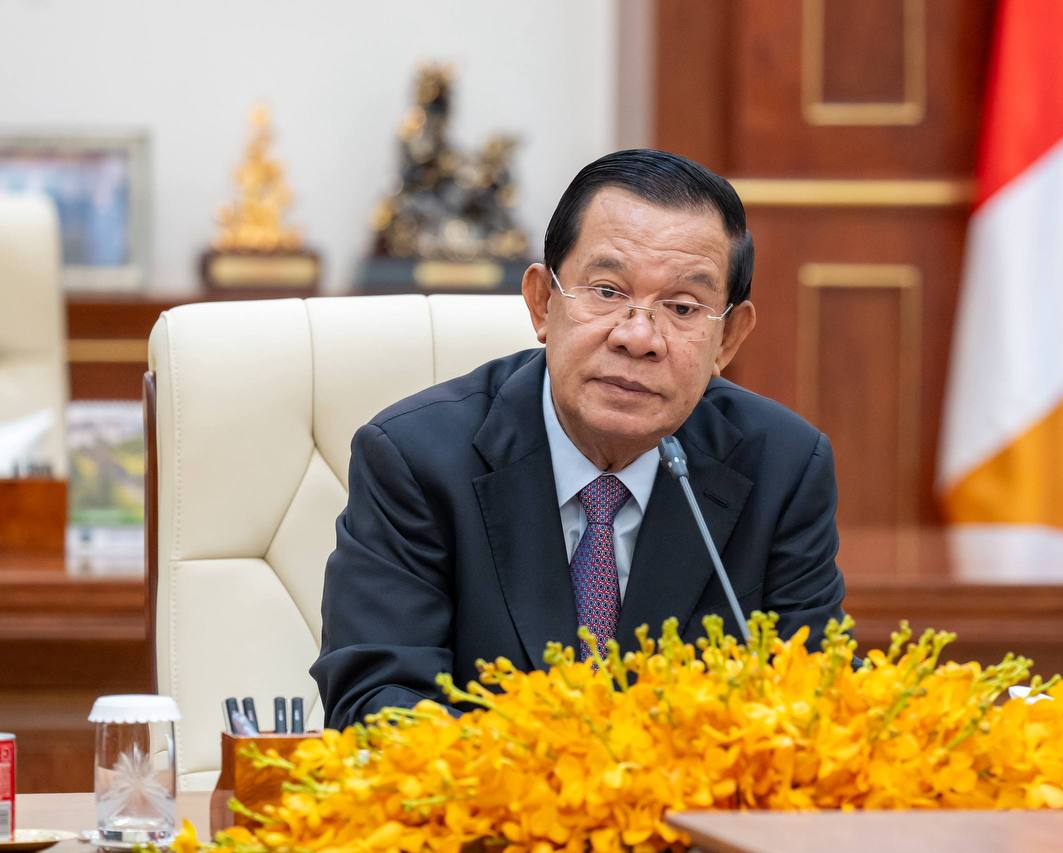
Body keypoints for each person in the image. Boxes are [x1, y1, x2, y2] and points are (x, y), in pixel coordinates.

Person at [312, 149, 846, 728]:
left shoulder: (783, 468)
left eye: (682, 307)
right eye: (608, 291)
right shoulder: (417, 459)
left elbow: (813, 701)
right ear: (542, 302)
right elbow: (375, 703)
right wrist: (559, 768)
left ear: (729, 339)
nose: (638, 337)